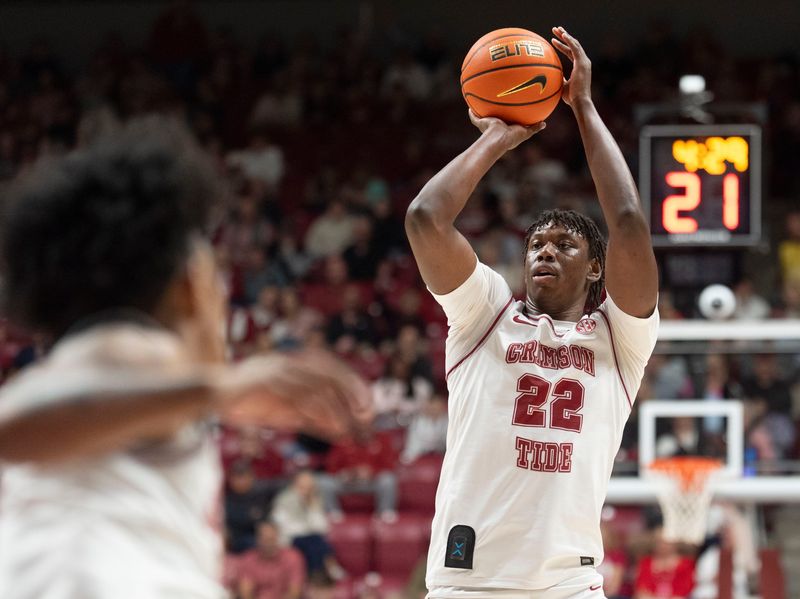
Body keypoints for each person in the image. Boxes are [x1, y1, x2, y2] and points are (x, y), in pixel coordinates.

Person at [0, 117, 371, 599]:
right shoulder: (128, 354)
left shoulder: (139, 386)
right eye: (214, 276)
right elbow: (14, 424)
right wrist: (222, 388)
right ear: (189, 287)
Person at [405, 27, 659, 598]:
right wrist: (497, 137)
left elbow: (628, 225)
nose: (545, 249)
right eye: (537, 243)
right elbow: (425, 219)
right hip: (466, 582)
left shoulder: (619, 341)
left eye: (565, 244)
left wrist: (585, 107)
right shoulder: (484, 315)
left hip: (567, 585)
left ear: (596, 268)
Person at [271, 470, 345, 581]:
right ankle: (323, 572)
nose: (306, 490)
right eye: (302, 486)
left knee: (315, 541)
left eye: (310, 487)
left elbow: (322, 527)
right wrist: (307, 528)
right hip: (287, 540)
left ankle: (317, 578)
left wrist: (310, 506)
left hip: (310, 539)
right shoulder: (283, 500)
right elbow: (284, 527)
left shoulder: (314, 501)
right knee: (315, 542)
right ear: (294, 485)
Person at [226, 520, 306, 599]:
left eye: (271, 539)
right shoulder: (248, 559)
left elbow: (294, 592)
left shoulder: (293, 557)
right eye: (264, 539)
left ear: (278, 537)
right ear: (257, 539)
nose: (268, 544)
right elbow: (245, 593)